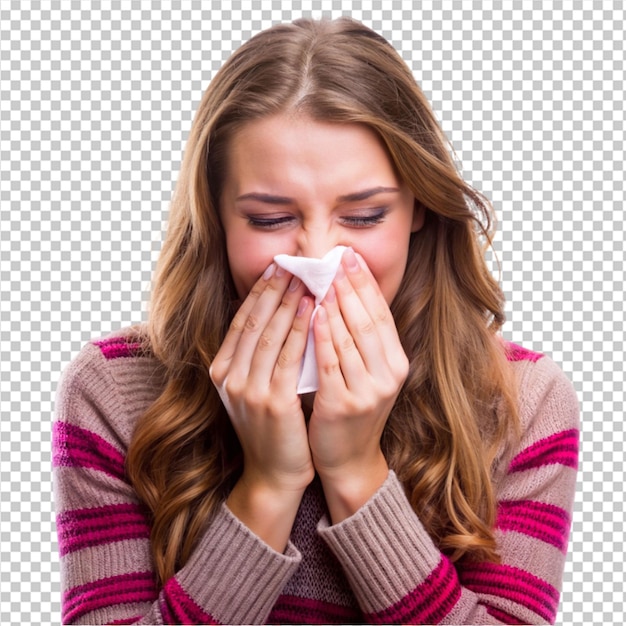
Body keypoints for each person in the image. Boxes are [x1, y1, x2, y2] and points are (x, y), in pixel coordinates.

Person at [52, 17, 579, 625]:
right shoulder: (113, 393)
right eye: (271, 219)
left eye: (363, 216)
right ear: (218, 219)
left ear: (418, 209)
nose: (318, 259)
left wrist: (356, 474)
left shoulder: (522, 402)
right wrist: (268, 488)